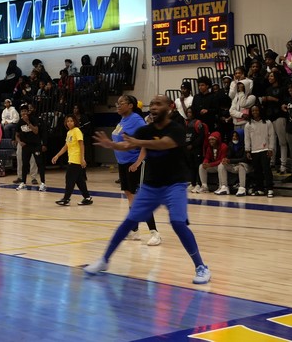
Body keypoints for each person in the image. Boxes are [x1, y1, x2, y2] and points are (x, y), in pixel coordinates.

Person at [88, 95, 211, 284]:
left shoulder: (177, 129)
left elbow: (164, 143)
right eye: (151, 104)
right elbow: (128, 144)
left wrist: (138, 143)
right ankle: (104, 260)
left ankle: (201, 267)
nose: (153, 107)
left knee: (178, 223)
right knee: (129, 221)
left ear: (169, 108)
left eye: (158, 104)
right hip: (151, 185)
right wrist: (112, 145)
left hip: (174, 184)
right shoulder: (145, 130)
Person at [107, 95, 160, 244]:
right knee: (130, 197)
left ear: (130, 105)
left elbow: (146, 141)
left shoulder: (137, 120)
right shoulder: (122, 120)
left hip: (134, 163)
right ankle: (135, 231)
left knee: (140, 199)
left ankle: (154, 233)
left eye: (121, 103)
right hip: (123, 163)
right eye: (117, 103)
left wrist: (138, 161)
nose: (118, 105)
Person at [51, 114, 93, 206]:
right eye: (68, 121)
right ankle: (87, 198)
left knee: (69, 179)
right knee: (79, 180)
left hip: (76, 159)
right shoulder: (69, 132)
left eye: (71, 121)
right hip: (72, 159)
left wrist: (82, 159)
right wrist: (57, 155)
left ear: (75, 122)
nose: (69, 123)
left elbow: (82, 145)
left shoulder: (77, 131)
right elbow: (66, 146)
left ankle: (66, 199)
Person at [244, 105, 276, 197]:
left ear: (260, 111)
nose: (255, 112)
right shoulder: (248, 125)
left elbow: (271, 136)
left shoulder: (267, 122)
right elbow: (247, 139)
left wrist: (271, 148)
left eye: (256, 110)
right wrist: (247, 151)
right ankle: (260, 188)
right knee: (257, 171)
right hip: (254, 151)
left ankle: (270, 188)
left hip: (265, 150)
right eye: (253, 111)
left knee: (266, 170)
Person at [14, 107, 46, 191]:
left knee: (39, 163)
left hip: (35, 145)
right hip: (26, 146)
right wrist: (19, 142)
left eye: (25, 111)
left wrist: (28, 122)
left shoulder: (33, 119)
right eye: (22, 111)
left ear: (28, 112)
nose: (24, 113)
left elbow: (36, 131)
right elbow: (16, 135)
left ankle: (43, 183)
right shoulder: (19, 123)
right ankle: (23, 182)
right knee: (24, 164)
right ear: (20, 113)